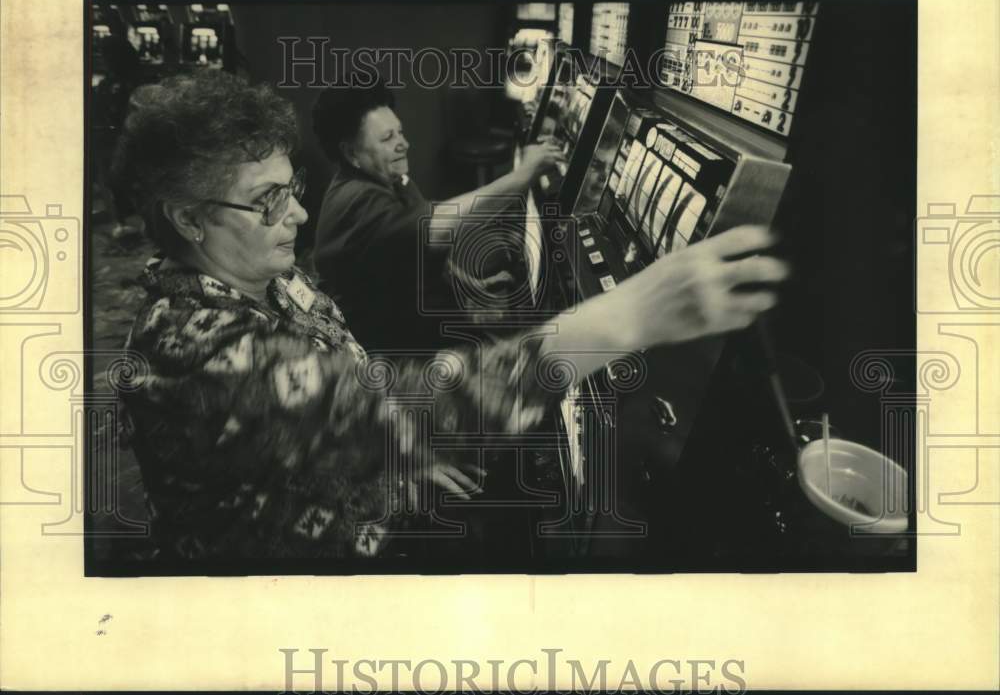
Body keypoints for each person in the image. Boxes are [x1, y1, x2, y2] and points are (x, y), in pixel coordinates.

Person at [113, 69, 787, 562]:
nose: (296, 214)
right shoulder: (188, 348)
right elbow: (402, 402)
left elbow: (350, 388)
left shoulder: (271, 273)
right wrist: (634, 313)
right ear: (188, 218)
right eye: (266, 200)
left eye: (292, 189)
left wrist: (393, 448)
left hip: (374, 486)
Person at [311, 81, 564, 354]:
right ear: (351, 153)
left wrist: (471, 285)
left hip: (419, 307)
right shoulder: (357, 203)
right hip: (388, 350)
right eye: (387, 139)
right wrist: (524, 174)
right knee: (531, 354)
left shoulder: (389, 177)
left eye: (400, 132)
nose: (404, 144)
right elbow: (436, 228)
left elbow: (420, 246)